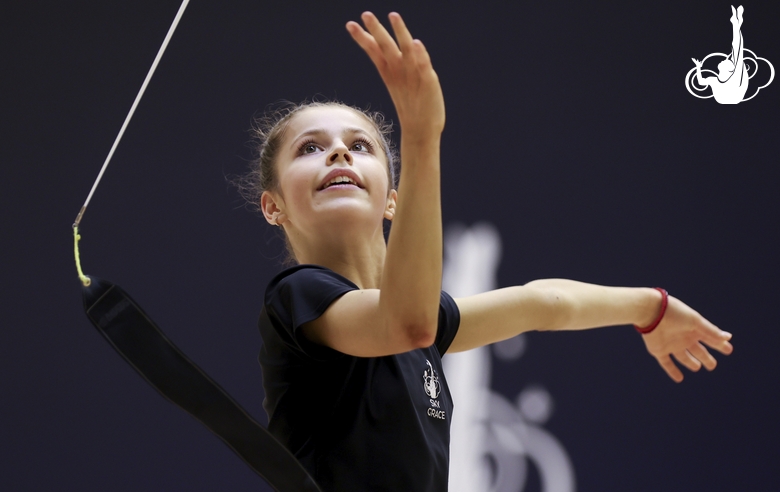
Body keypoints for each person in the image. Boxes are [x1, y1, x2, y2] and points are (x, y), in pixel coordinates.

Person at [244, 12, 734, 491]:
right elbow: (406, 324)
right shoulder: (297, 296)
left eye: (361, 145)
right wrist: (419, 137)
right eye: (310, 148)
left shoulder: (426, 325)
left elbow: (540, 304)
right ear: (273, 206)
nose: (339, 153)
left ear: (394, 200)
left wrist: (651, 307)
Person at [692, 5, 748, 104]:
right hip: (731, 97)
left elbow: (701, 81)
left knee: (737, 51)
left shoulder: (720, 79)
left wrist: (698, 67)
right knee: (737, 52)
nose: (724, 59)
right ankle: (736, 24)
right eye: (728, 61)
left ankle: (736, 24)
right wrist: (698, 67)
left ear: (729, 69)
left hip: (732, 96)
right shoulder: (717, 79)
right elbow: (701, 82)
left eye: (727, 61)